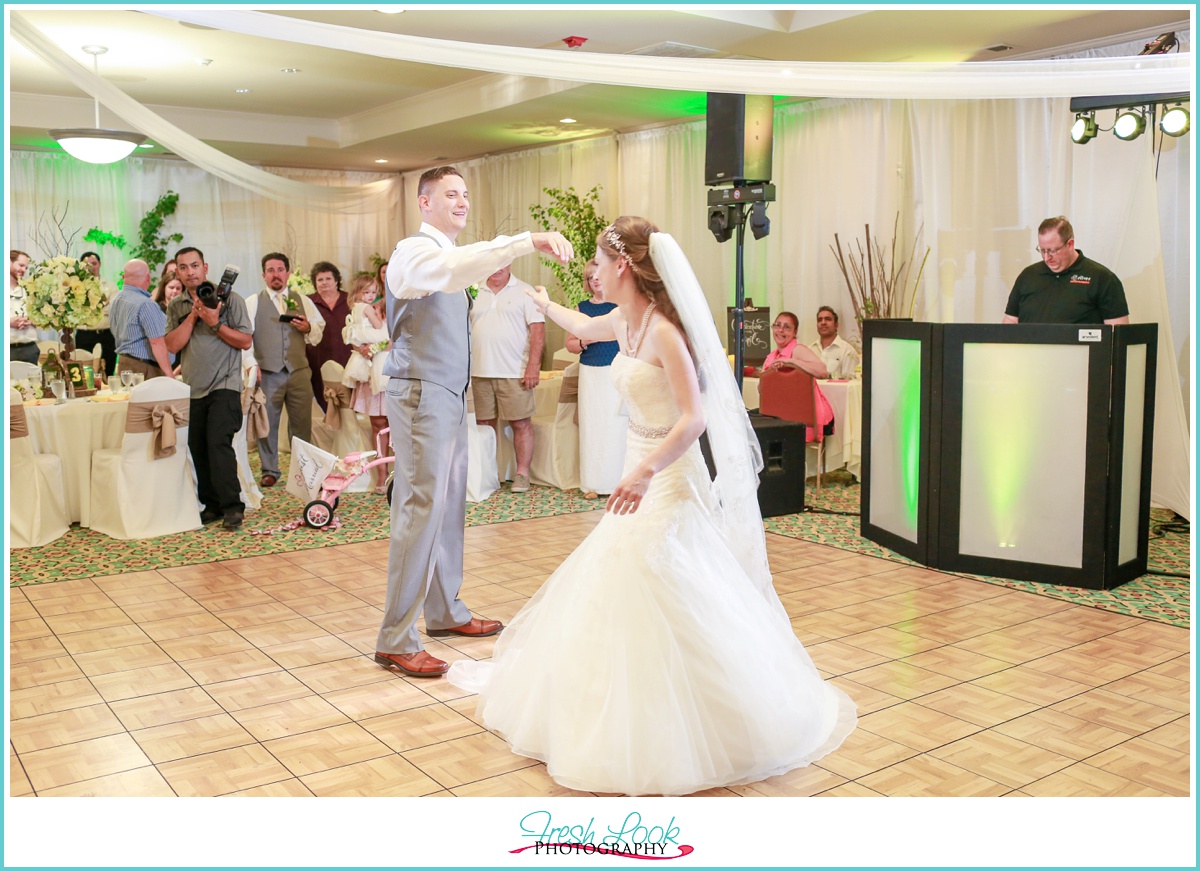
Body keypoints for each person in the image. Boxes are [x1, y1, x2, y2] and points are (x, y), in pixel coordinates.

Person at [447, 216, 856, 796]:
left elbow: (695, 418)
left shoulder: (664, 331)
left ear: (624, 267)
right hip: (636, 468)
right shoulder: (625, 321)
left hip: (665, 477)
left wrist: (644, 470)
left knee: (661, 577)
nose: (591, 270)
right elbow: (578, 326)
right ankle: (623, 702)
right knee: (626, 582)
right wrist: (543, 301)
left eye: (597, 259)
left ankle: (710, 714)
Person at [374, 164, 572, 679]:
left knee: (448, 504)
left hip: (447, 394)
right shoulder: (414, 253)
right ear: (424, 203)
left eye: (465, 194)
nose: (461, 202)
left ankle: (444, 611)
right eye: (450, 194)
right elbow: (453, 268)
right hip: (420, 393)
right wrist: (525, 240)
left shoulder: (450, 257)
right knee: (420, 506)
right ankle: (395, 638)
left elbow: (461, 266)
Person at [165, 246, 253, 531]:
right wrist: (193, 316)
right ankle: (211, 505)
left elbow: (245, 341)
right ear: (177, 271)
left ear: (205, 267)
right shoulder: (177, 305)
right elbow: (172, 345)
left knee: (218, 443)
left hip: (225, 384)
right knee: (198, 447)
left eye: (194, 265)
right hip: (193, 387)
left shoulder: (231, 299)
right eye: (183, 267)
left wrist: (215, 323)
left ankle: (232, 507)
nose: (190, 272)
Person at [244, 253, 325, 489]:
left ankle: (303, 468)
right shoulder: (254, 302)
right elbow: (245, 338)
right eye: (270, 270)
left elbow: (318, 329)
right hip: (267, 372)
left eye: (280, 269)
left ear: (288, 273)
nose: (276, 274)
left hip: (299, 371)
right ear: (263, 275)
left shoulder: (302, 301)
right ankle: (270, 469)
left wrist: (307, 327)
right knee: (267, 423)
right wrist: (251, 365)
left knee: (302, 424)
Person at [470, 264, 545, 493]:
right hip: (478, 371)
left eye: (502, 262)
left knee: (521, 423)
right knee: (484, 425)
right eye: (491, 262)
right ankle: (490, 475)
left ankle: (522, 475)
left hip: (515, 371)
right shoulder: (472, 291)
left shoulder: (524, 291)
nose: (496, 268)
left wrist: (533, 366)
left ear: (511, 263)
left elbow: (538, 331)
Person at [564, 258, 626, 499]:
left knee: (618, 425)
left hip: (617, 370)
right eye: (591, 277)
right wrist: (585, 340)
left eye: (599, 275)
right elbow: (570, 344)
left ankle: (619, 483)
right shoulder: (581, 309)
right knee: (593, 425)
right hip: (591, 373)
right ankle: (593, 483)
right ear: (588, 283)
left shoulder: (620, 306)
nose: (596, 280)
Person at [1004, 216, 1130, 325]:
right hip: (1030, 352)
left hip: (1080, 352)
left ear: (1070, 244)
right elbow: (1011, 320)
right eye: (1042, 250)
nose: (1047, 257)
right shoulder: (1028, 275)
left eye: (1053, 251)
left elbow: (1117, 332)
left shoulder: (1102, 279)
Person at [343, 273, 391, 494]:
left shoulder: (397, 304)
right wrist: (361, 347)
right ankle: (382, 474)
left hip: (392, 370)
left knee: (399, 425)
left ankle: (400, 474)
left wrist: (380, 345)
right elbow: (355, 335)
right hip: (372, 372)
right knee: (378, 425)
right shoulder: (363, 308)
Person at [759, 311, 834, 443]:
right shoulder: (771, 357)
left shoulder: (798, 350)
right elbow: (762, 391)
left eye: (787, 327)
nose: (780, 330)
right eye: (777, 325)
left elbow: (823, 372)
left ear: (795, 332)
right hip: (783, 417)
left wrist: (792, 362)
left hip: (806, 421)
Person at [109, 259, 173, 380]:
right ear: (148, 277)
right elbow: (157, 342)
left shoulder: (115, 300)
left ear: (123, 276)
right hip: (144, 367)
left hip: (124, 363)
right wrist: (169, 375)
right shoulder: (145, 304)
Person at [305, 261, 352, 413]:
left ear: (336, 280)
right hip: (318, 359)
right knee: (325, 401)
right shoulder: (308, 302)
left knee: (349, 405)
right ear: (315, 283)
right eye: (320, 280)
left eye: (328, 279)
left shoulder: (350, 300)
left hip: (348, 358)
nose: (324, 283)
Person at [75, 251, 117, 377]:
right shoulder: (76, 287)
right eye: (87, 264)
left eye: (94, 263)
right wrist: (102, 305)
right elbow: (77, 311)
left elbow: (113, 309)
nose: (91, 267)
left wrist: (90, 308)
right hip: (84, 334)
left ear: (99, 264)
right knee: (84, 372)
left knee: (108, 371)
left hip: (106, 333)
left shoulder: (110, 285)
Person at [807, 305, 860, 378]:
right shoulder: (809, 350)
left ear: (836, 325)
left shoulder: (847, 351)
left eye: (828, 319)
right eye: (819, 320)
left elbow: (849, 383)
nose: (823, 322)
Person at [9, 249, 38, 365]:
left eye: (26, 267)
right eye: (21, 265)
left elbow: (43, 318)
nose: (23, 270)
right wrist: (9, 323)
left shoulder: (30, 289)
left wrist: (30, 320)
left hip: (29, 349)